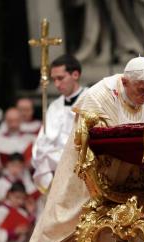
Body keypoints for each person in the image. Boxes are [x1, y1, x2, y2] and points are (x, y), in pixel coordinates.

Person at [23, 56, 144, 242]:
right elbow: (89, 141)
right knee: (71, 218)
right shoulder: (98, 96)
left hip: (133, 174)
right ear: (124, 81)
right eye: (141, 90)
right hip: (95, 169)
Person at [31, 54, 88, 193]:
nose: (56, 84)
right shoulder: (54, 106)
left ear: (75, 74)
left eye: (60, 78)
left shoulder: (90, 100)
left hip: (83, 171)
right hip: (57, 171)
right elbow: (42, 142)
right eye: (54, 79)